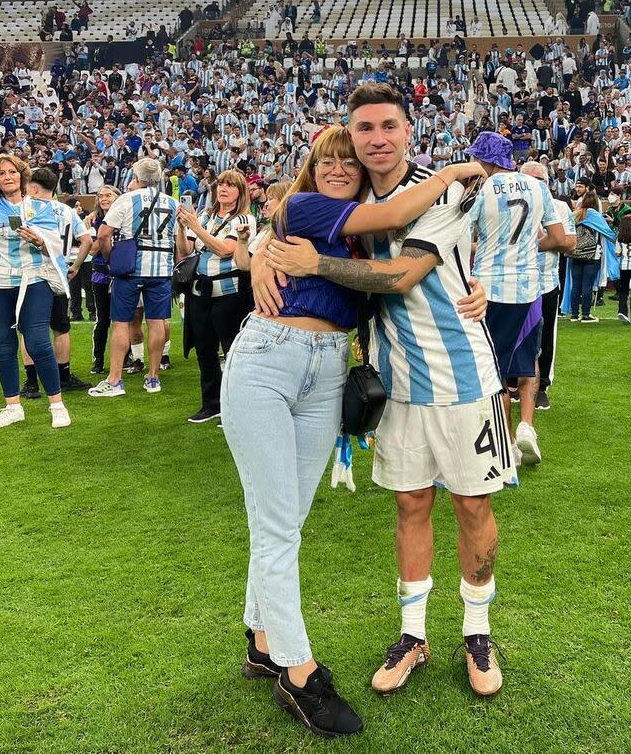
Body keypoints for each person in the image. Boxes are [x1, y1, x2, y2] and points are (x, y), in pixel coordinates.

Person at [221, 125, 486, 739]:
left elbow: (403, 269)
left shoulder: (356, 235)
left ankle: (261, 640)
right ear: (311, 166)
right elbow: (389, 209)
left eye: (350, 160)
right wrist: (449, 172)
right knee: (279, 522)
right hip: (269, 356)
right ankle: (297, 669)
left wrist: (478, 285)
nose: (340, 165)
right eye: (329, 157)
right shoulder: (306, 204)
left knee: (284, 517)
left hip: (327, 367)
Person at [259, 84, 514, 701]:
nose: (376, 140)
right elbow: (277, 223)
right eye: (364, 128)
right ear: (351, 133)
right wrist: (263, 254)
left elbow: (401, 276)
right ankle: (413, 635)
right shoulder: (340, 200)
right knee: (409, 507)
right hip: (394, 384)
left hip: (464, 376)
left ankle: (477, 632)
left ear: (407, 130)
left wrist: (311, 265)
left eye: (388, 127)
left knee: (473, 507)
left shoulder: (443, 188)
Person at [468, 136, 565, 465]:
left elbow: (462, 236)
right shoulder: (539, 187)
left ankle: (505, 444)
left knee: (491, 368)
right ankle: (526, 426)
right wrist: (524, 249)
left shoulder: (481, 188)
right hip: (529, 289)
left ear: (487, 161)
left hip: (489, 290)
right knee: (528, 359)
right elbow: (557, 238)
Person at [88, 157, 178, 398]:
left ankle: (115, 380)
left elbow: (104, 234)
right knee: (157, 322)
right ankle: (153, 377)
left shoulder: (126, 200)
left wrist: (110, 259)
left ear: (136, 178)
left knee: (120, 322)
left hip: (130, 268)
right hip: (160, 269)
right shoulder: (171, 202)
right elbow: (178, 240)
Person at [0, 155, 71, 430]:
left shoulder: (39, 208)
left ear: (21, 175)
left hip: (35, 279)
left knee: (38, 341)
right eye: (1, 172)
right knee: (3, 346)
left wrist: (40, 241)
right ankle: (13, 406)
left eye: (12, 171)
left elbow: (53, 244)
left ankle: (57, 404)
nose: (7, 176)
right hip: (1, 282)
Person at [176, 170, 256, 424]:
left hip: (230, 292)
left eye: (230, 185)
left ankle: (236, 405)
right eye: (221, 184)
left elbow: (225, 250)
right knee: (204, 349)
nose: (223, 189)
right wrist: (181, 227)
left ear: (240, 192)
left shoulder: (244, 219)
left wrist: (196, 228)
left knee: (232, 350)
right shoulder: (205, 216)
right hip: (200, 291)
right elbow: (185, 250)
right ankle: (211, 403)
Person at [19, 168, 91, 397]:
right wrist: (76, 265)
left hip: (30, 273)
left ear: (34, 187)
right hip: (59, 274)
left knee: (27, 329)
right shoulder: (67, 211)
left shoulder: (25, 207)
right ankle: (64, 376)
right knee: (61, 327)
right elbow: (87, 239)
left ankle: (31, 382)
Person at [520, 160, 576, 411]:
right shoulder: (512, 205)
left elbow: (571, 243)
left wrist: (540, 241)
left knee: (545, 335)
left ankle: (541, 386)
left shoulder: (560, 207)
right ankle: (512, 383)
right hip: (515, 281)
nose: (533, 185)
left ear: (547, 183)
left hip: (546, 282)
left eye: (538, 180)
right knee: (515, 334)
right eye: (528, 180)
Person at [562, 189, 617, 323]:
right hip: (592, 256)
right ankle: (586, 314)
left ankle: (574, 315)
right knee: (587, 285)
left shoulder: (575, 215)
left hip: (575, 255)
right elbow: (610, 235)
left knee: (575, 285)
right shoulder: (596, 216)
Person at [88, 185, 119, 374]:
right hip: (100, 275)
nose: (104, 199)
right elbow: (91, 249)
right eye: (101, 196)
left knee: (122, 319)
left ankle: (127, 357)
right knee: (102, 320)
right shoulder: (95, 221)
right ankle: (98, 360)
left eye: (108, 195)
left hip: (122, 274)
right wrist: (104, 234)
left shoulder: (125, 219)